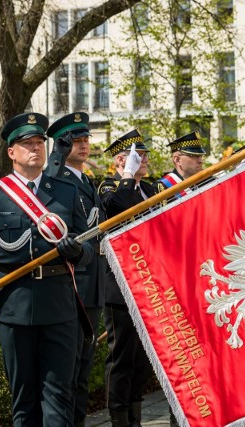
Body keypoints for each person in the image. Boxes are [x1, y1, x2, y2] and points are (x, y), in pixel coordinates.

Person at [0, 112, 94, 426]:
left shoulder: (66, 190)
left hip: (60, 304)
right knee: (23, 401)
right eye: (27, 144)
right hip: (14, 307)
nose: (36, 148)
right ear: (11, 152)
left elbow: (91, 247)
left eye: (39, 142)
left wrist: (78, 251)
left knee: (59, 395)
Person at [45, 112, 107, 427]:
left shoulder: (85, 180)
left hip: (92, 284)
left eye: (86, 140)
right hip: (72, 285)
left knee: (82, 370)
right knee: (67, 373)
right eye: (76, 140)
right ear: (62, 144)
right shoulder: (57, 180)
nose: (84, 146)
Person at [98, 129, 156, 427]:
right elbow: (119, 208)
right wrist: (127, 177)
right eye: (139, 156)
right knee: (121, 355)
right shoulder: (108, 186)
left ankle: (136, 415)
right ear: (122, 159)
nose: (145, 160)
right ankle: (119, 418)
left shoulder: (151, 187)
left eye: (144, 155)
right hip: (120, 285)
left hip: (149, 282)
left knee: (143, 358)